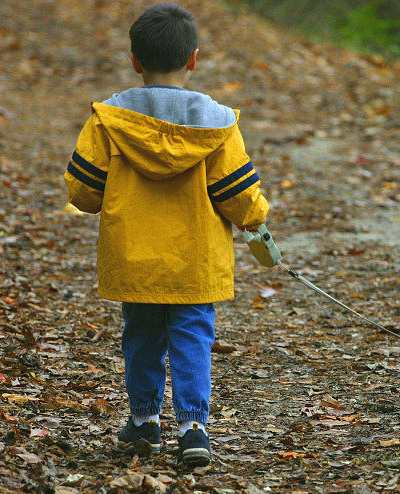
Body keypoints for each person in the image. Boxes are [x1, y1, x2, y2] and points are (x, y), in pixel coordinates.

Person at [63, 2, 269, 467]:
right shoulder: (216, 125)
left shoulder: (109, 120)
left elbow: (82, 190)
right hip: (194, 259)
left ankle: (142, 423)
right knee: (193, 337)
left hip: (134, 257)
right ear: (193, 59)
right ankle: (193, 429)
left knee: (141, 337)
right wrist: (257, 222)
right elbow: (237, 195)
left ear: (135, 60)